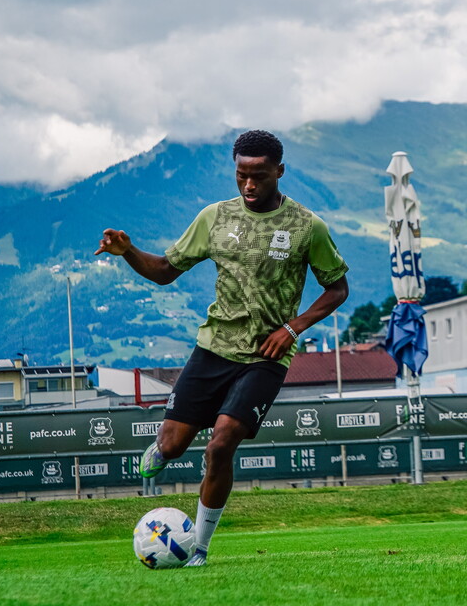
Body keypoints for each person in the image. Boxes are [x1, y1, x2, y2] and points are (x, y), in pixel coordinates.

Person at [95, 129, 349, 567]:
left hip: (266, 357)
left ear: (280, 172)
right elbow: (164, 271)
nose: (249, 184)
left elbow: (338, 288)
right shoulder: (215, 217)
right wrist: (128, 250)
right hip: (213, 348)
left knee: (221, 443)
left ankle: (200, 548)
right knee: (174, 446)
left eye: (259, 176)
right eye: (241, 175)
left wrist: (293, 328)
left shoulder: (308, 227)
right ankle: (163, 448)